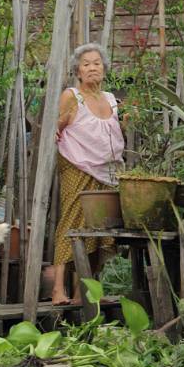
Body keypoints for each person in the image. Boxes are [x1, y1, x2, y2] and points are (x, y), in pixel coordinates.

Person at [50, 43, 125, 306]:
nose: (92, 67)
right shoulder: (72, 96)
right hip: (76, 166)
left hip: (107, 171)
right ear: (78, 71)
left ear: (104, 68)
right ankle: (58, 289)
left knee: (99, 228)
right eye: (86, 64)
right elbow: (55, 128)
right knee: (72, 221)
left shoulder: (111, 99)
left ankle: (87, 292)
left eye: (97, 63)